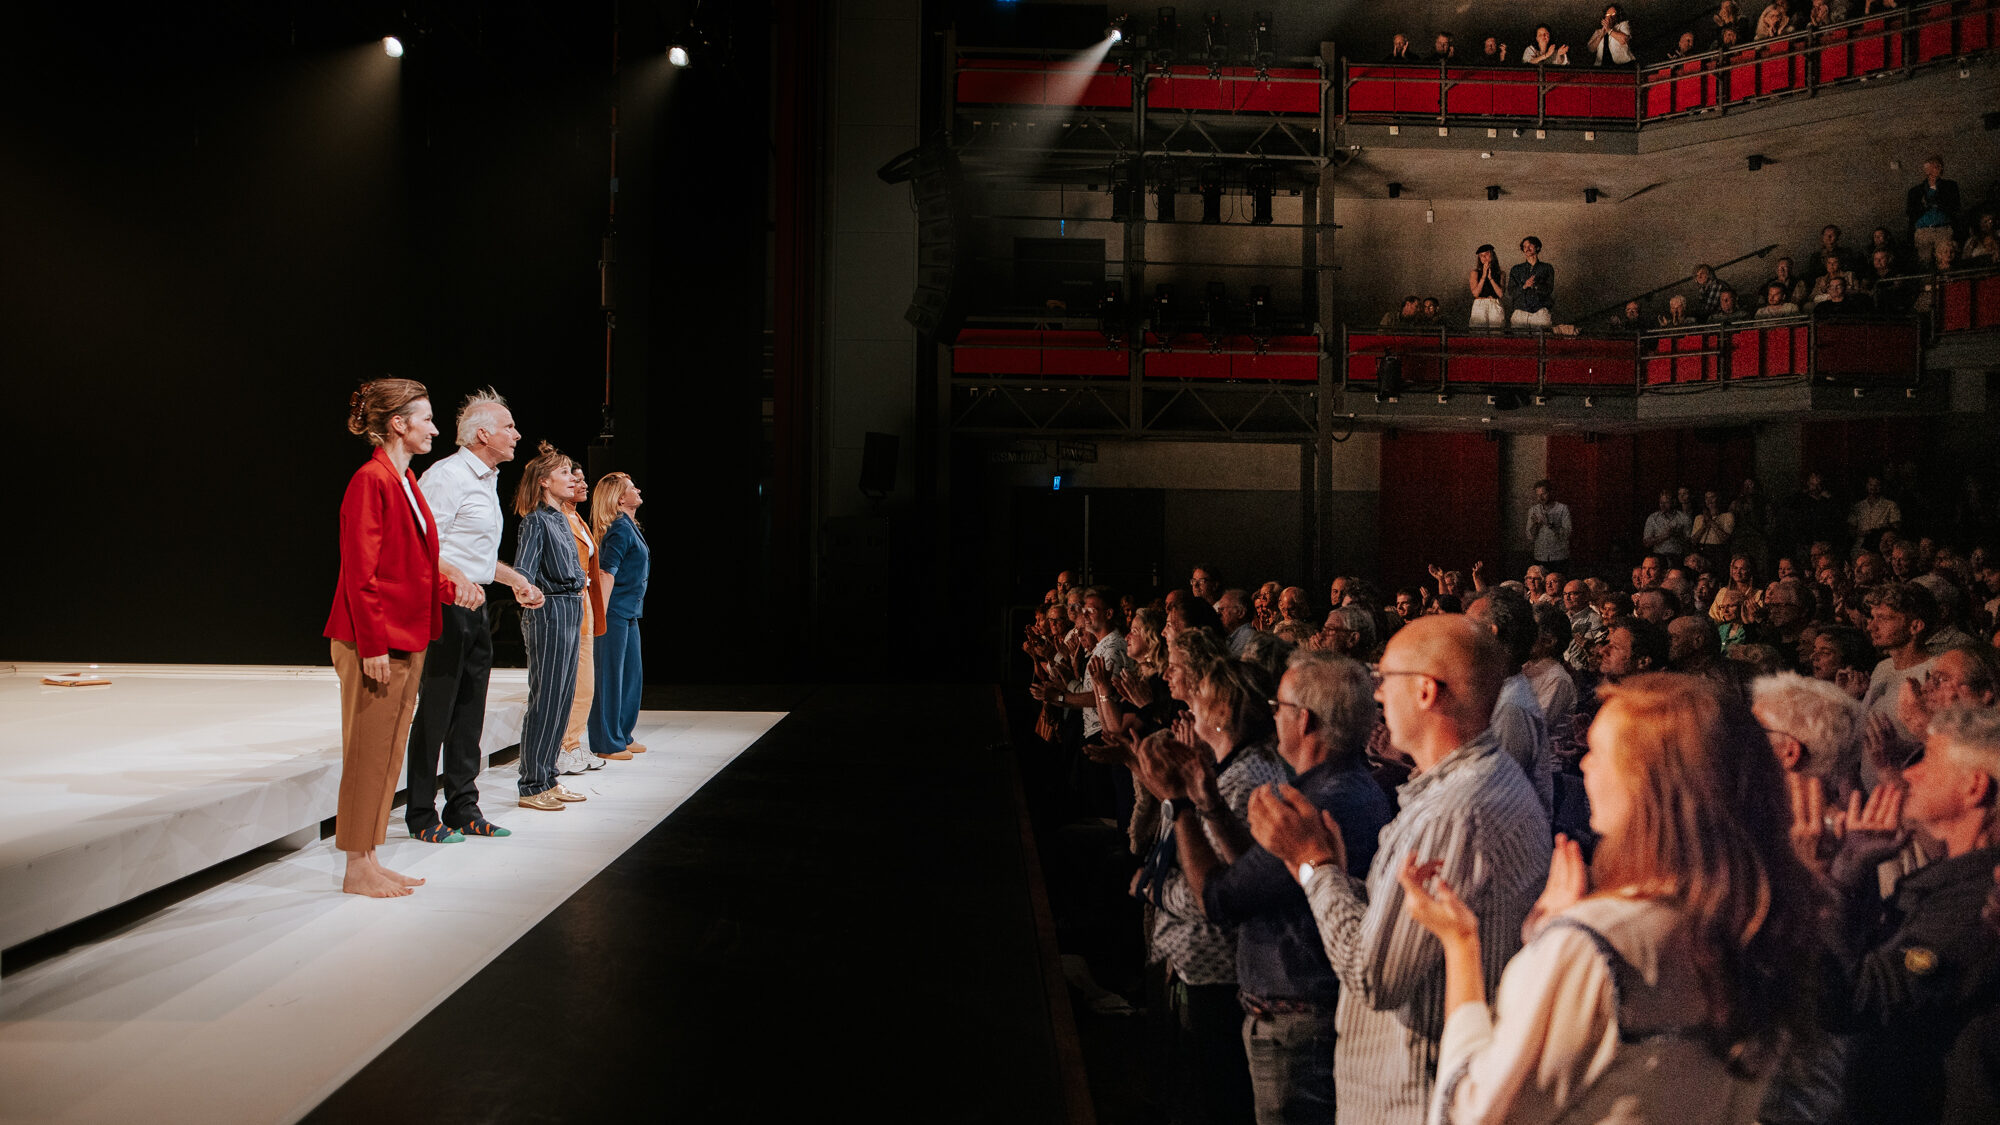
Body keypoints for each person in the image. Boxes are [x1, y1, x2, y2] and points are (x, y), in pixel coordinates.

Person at [1397, 674, 1822, 1124]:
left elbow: (1471, 1113)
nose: (1584, 765)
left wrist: (1462, 945)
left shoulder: (1593, 945)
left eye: (1598, 752)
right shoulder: (1753, 923)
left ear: (1647, 783)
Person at [1247, 615, 1551, 1125]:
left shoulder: (1456, 813)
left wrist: (1315, 867)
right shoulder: (1472, 786)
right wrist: (1338, 881)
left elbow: (1375, 978)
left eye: (1385, 677)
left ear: (1427, 691)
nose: (1378, 694)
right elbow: (1404, 936)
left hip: (1410, 1098)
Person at [1173, 651, 1394, 1125]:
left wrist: (1178, 804)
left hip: (1297, 1029)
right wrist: (1211, 805)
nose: (1272, 716)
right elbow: (1258, 878)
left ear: (1304, 719)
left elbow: (1219, 898)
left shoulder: (1319, 805)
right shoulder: (1345, 787)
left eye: (1279, 706)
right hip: (1302, 1020)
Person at [1825, 705, 2000, 1125]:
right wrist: (1857, 867)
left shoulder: (1978, 905)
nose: (1910, 772)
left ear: (1974, 787)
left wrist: (1838, 879)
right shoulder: (1949, 881)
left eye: (1928, 759)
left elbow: (1853, 1001)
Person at [324, 378, 454, 897]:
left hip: (407, 635)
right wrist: (374, 643)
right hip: (374, 640)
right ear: (399, 424)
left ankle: (370, 856)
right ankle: (356, 867)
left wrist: (452, 589)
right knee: (367, 753)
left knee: (388, 750)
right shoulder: (370, 480)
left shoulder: (405, 480)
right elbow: (362, 571)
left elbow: (413, 563)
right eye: (427, 419)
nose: (435, 429)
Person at [405, 389, 544, 844]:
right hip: (445, 604)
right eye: (509, 427)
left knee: (470, 711)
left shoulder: (486, 479)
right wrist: (458, 581)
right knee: (437, 710)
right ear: (483, 434)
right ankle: (421, 814)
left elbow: (474, 555)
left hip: (476, 604)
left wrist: (514, 579)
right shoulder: (446, 476)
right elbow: (423, 547)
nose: (517, 435)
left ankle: (463, 806)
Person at [511, 441, 593, 812]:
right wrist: (527, 593)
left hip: (571, 608)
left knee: (562, 697)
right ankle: (531, 783)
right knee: (545, 698)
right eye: (563, 473)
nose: (572, 478)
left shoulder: (561, 518)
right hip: (549, 611)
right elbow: (524, 571)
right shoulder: (536, 521)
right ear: (544, 481)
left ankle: (548, 777)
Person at [555, 460, 616, 772]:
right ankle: (564, 746)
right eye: (573, 479)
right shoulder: (554, 518)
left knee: (585, 682)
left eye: (580, 479)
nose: (581, 485)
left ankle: (575, 743)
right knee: (574, 680)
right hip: (568, 605)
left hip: (585, 605)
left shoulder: (577, 518)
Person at [586, 475, 647, 761]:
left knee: (631, 676)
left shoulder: (629, 526)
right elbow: (605, 573)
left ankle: (622, 733)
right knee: (609, 677)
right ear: (621, 498)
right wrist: (600, 617)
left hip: (629, 613)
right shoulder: (619, 529)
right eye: (632, 488)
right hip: (614, 613)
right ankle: (606, 742)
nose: (638, 490)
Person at [1907, 155, 1963, 266]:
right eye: (1936, 166)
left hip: (1943, 229)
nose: (1940, 169)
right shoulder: (1915, 191)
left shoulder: (1950, 186)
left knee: (1946, 260)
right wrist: (1925, 206)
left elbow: (1955, 206)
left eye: (1941, 166)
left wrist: (1937, 202)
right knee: (1924, 262)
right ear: (1927, 170)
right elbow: (1911, 212)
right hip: (1924, 231)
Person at [1508, 235, 1554, 330]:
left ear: (1537, 247)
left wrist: (1535, 285)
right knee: (1520, 338)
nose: (1527, 248)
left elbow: (1549, 289)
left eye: (1530, 246)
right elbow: (1511, 292)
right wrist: (1524, 286)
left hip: (1540, 311)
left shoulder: (1547, 268)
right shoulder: (1516, 269)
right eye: (1524, 247)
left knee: (1542, 337)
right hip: (1520, 312)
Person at [1527, 478, 1571, 568]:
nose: (1540, 498)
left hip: (1559, 556)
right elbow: (1530, 536)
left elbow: (1567, 533)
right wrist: (1536, 524)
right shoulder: (1533, 510)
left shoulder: (1562, 509)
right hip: (1540, 556)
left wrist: (1549, 524)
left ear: (1550, 492)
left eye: (1543, 494)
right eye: (1538, 495)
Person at [1467, 245, 1505, 328]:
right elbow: (1475, 293)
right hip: (1480, 304)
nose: (1484, 257)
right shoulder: (1475, 273)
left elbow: (1500, 294)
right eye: (1481, 255)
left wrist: (1490, 278)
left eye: (1487, 254)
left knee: (1497, 330)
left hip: (1495, 304)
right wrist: (1484, 275)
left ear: (1492, 255)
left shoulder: (1501, 273)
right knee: (1478, 331)